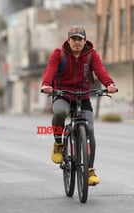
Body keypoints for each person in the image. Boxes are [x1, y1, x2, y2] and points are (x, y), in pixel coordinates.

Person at [42, 26, 118, 185]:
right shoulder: (59, 54)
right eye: (73, 39)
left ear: (85, 41)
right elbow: (50, 69)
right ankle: (58, 143)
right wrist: (46, 84)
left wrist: (109, 83)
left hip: (82, 97)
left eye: (80, 39)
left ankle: (89, 169)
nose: (77, 42)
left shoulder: (91, 55)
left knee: (89, 130)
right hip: (62, 94)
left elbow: (100, 71)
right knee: (60, 113)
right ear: (68, 41)